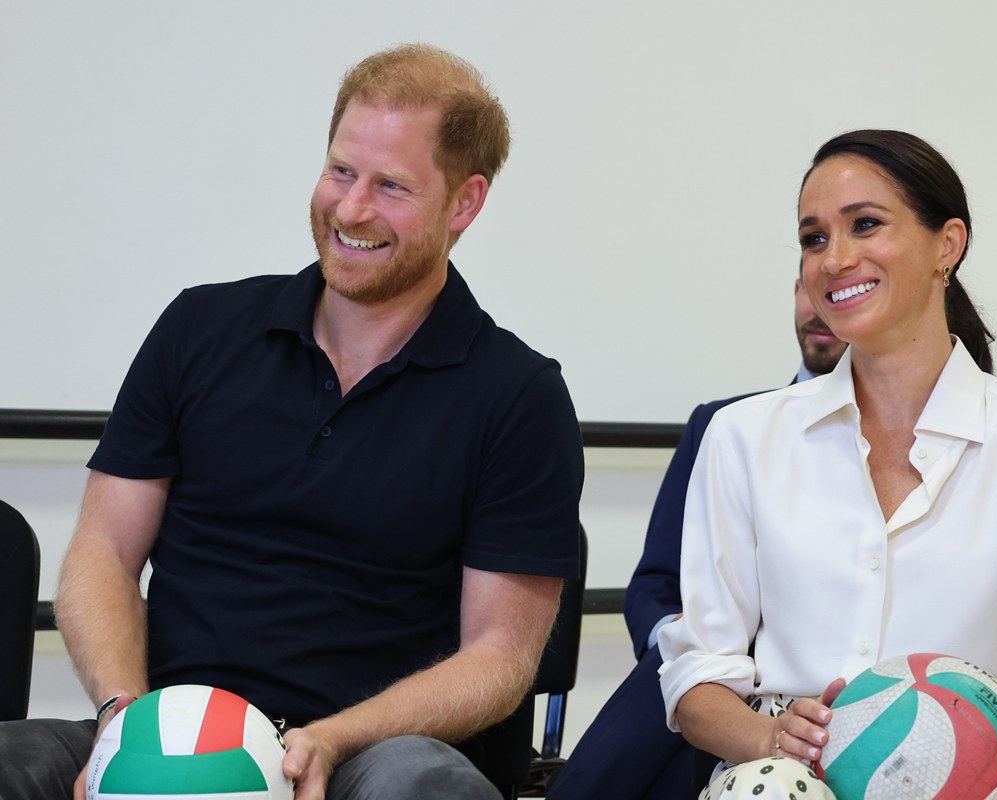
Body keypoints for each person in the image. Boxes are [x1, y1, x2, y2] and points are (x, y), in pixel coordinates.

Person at [0, 44, 583, 800]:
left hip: (361, 754)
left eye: (391, 186)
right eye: (340, 171)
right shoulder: (199, 327)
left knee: (423, 788)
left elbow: (500, 659)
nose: (350, 209)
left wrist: (329, 740)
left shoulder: (519, 396)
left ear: (464, 203)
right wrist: (124, 718)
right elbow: (102, 550)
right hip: (164, 727)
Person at [658, 130, 997, 800]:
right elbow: (698, 670)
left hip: (977, 776)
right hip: (785, 784)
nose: (834, 259)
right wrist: (771, 742)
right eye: (814, 238)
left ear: (948, 244)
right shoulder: (740, 437)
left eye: (865, 225)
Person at [546, 280, 847, 799]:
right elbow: (654, 587)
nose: (817, 304)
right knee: (683, 668)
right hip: (721, 693)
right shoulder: (724, 425)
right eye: (806, 279)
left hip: (825, 697)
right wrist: (703, 649)